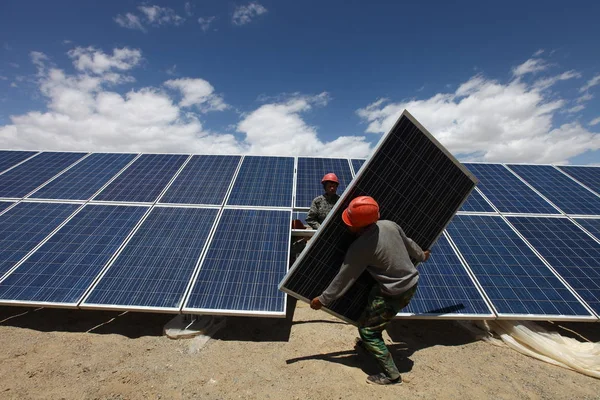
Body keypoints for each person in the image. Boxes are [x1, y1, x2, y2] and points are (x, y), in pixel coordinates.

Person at [310, 196, 431, 385]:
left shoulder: (361, 247)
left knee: (367, 331)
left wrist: (323, 300)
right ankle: (371, 345)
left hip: (394, 291)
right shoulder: (390, 225)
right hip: (410, 282)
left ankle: (392, 376)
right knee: (372, 308)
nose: (346, 225)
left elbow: (344, 278)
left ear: (357, 226)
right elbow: (409, 243)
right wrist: (421, 256)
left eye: (350, 222)